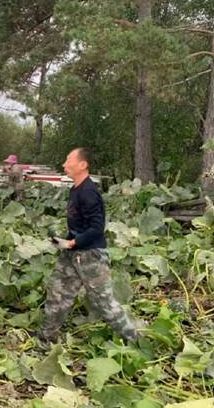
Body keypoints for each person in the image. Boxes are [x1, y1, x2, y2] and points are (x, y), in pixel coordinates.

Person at [40, 147, 141, 343]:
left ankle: (136, 340)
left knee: (104, 303)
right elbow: (79, 225)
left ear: (82, 165)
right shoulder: (75, 189)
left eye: (68, 160)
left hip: (91, 256)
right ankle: (46, 338)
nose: (64, 164)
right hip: (72, 253)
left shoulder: (89, 192)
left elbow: (96, 228)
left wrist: (73, 242)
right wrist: (64, 241)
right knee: (58, 293)